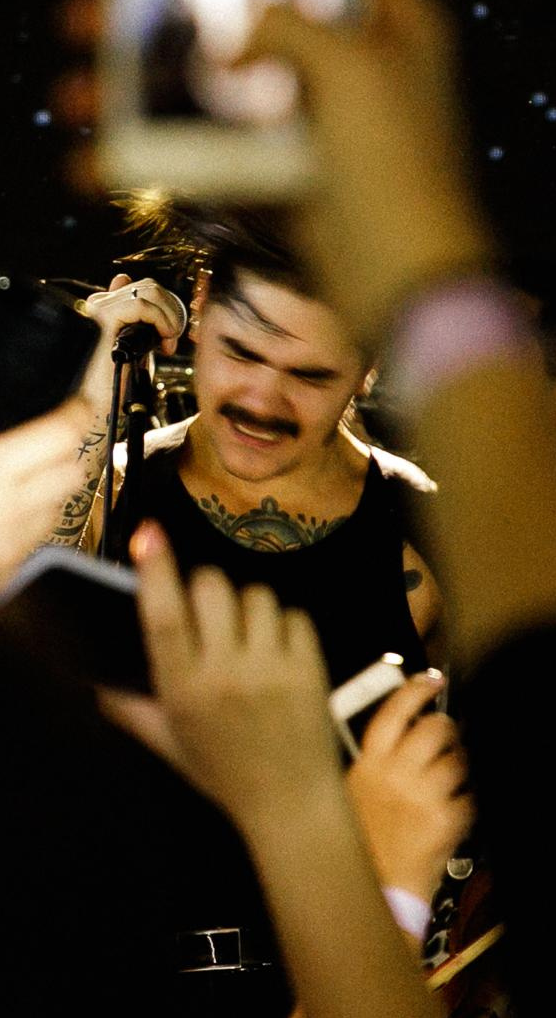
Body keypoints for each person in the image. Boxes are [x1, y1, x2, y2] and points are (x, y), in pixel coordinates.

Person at [56, 207, 444, 686]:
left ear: (372, 366)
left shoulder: (430, 538)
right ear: (199, 301)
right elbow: (8, 657)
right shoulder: (106, 487)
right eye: (241, 353)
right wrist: (89, 406)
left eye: (309, 375)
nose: (261, 404)